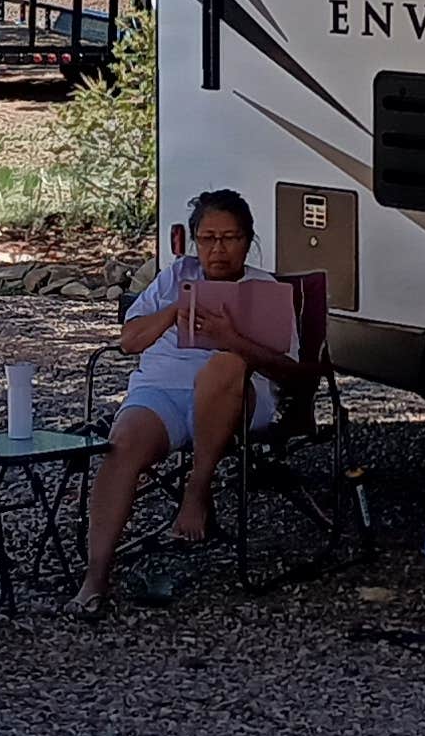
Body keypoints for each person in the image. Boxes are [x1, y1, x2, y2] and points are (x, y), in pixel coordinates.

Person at [72, 188, 300, 616]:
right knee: (123, 442)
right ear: (195, 240)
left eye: (230, 238)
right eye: (209, 238)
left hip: (235, 397)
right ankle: (96, 575)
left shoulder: (264, 289)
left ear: (248, 241)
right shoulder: (175, 276)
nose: (219, 249)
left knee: (222, 367)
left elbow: (291, 372)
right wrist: (177, 308)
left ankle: (196, 491)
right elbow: (128, 341)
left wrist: (230, 340)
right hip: (163, 390)